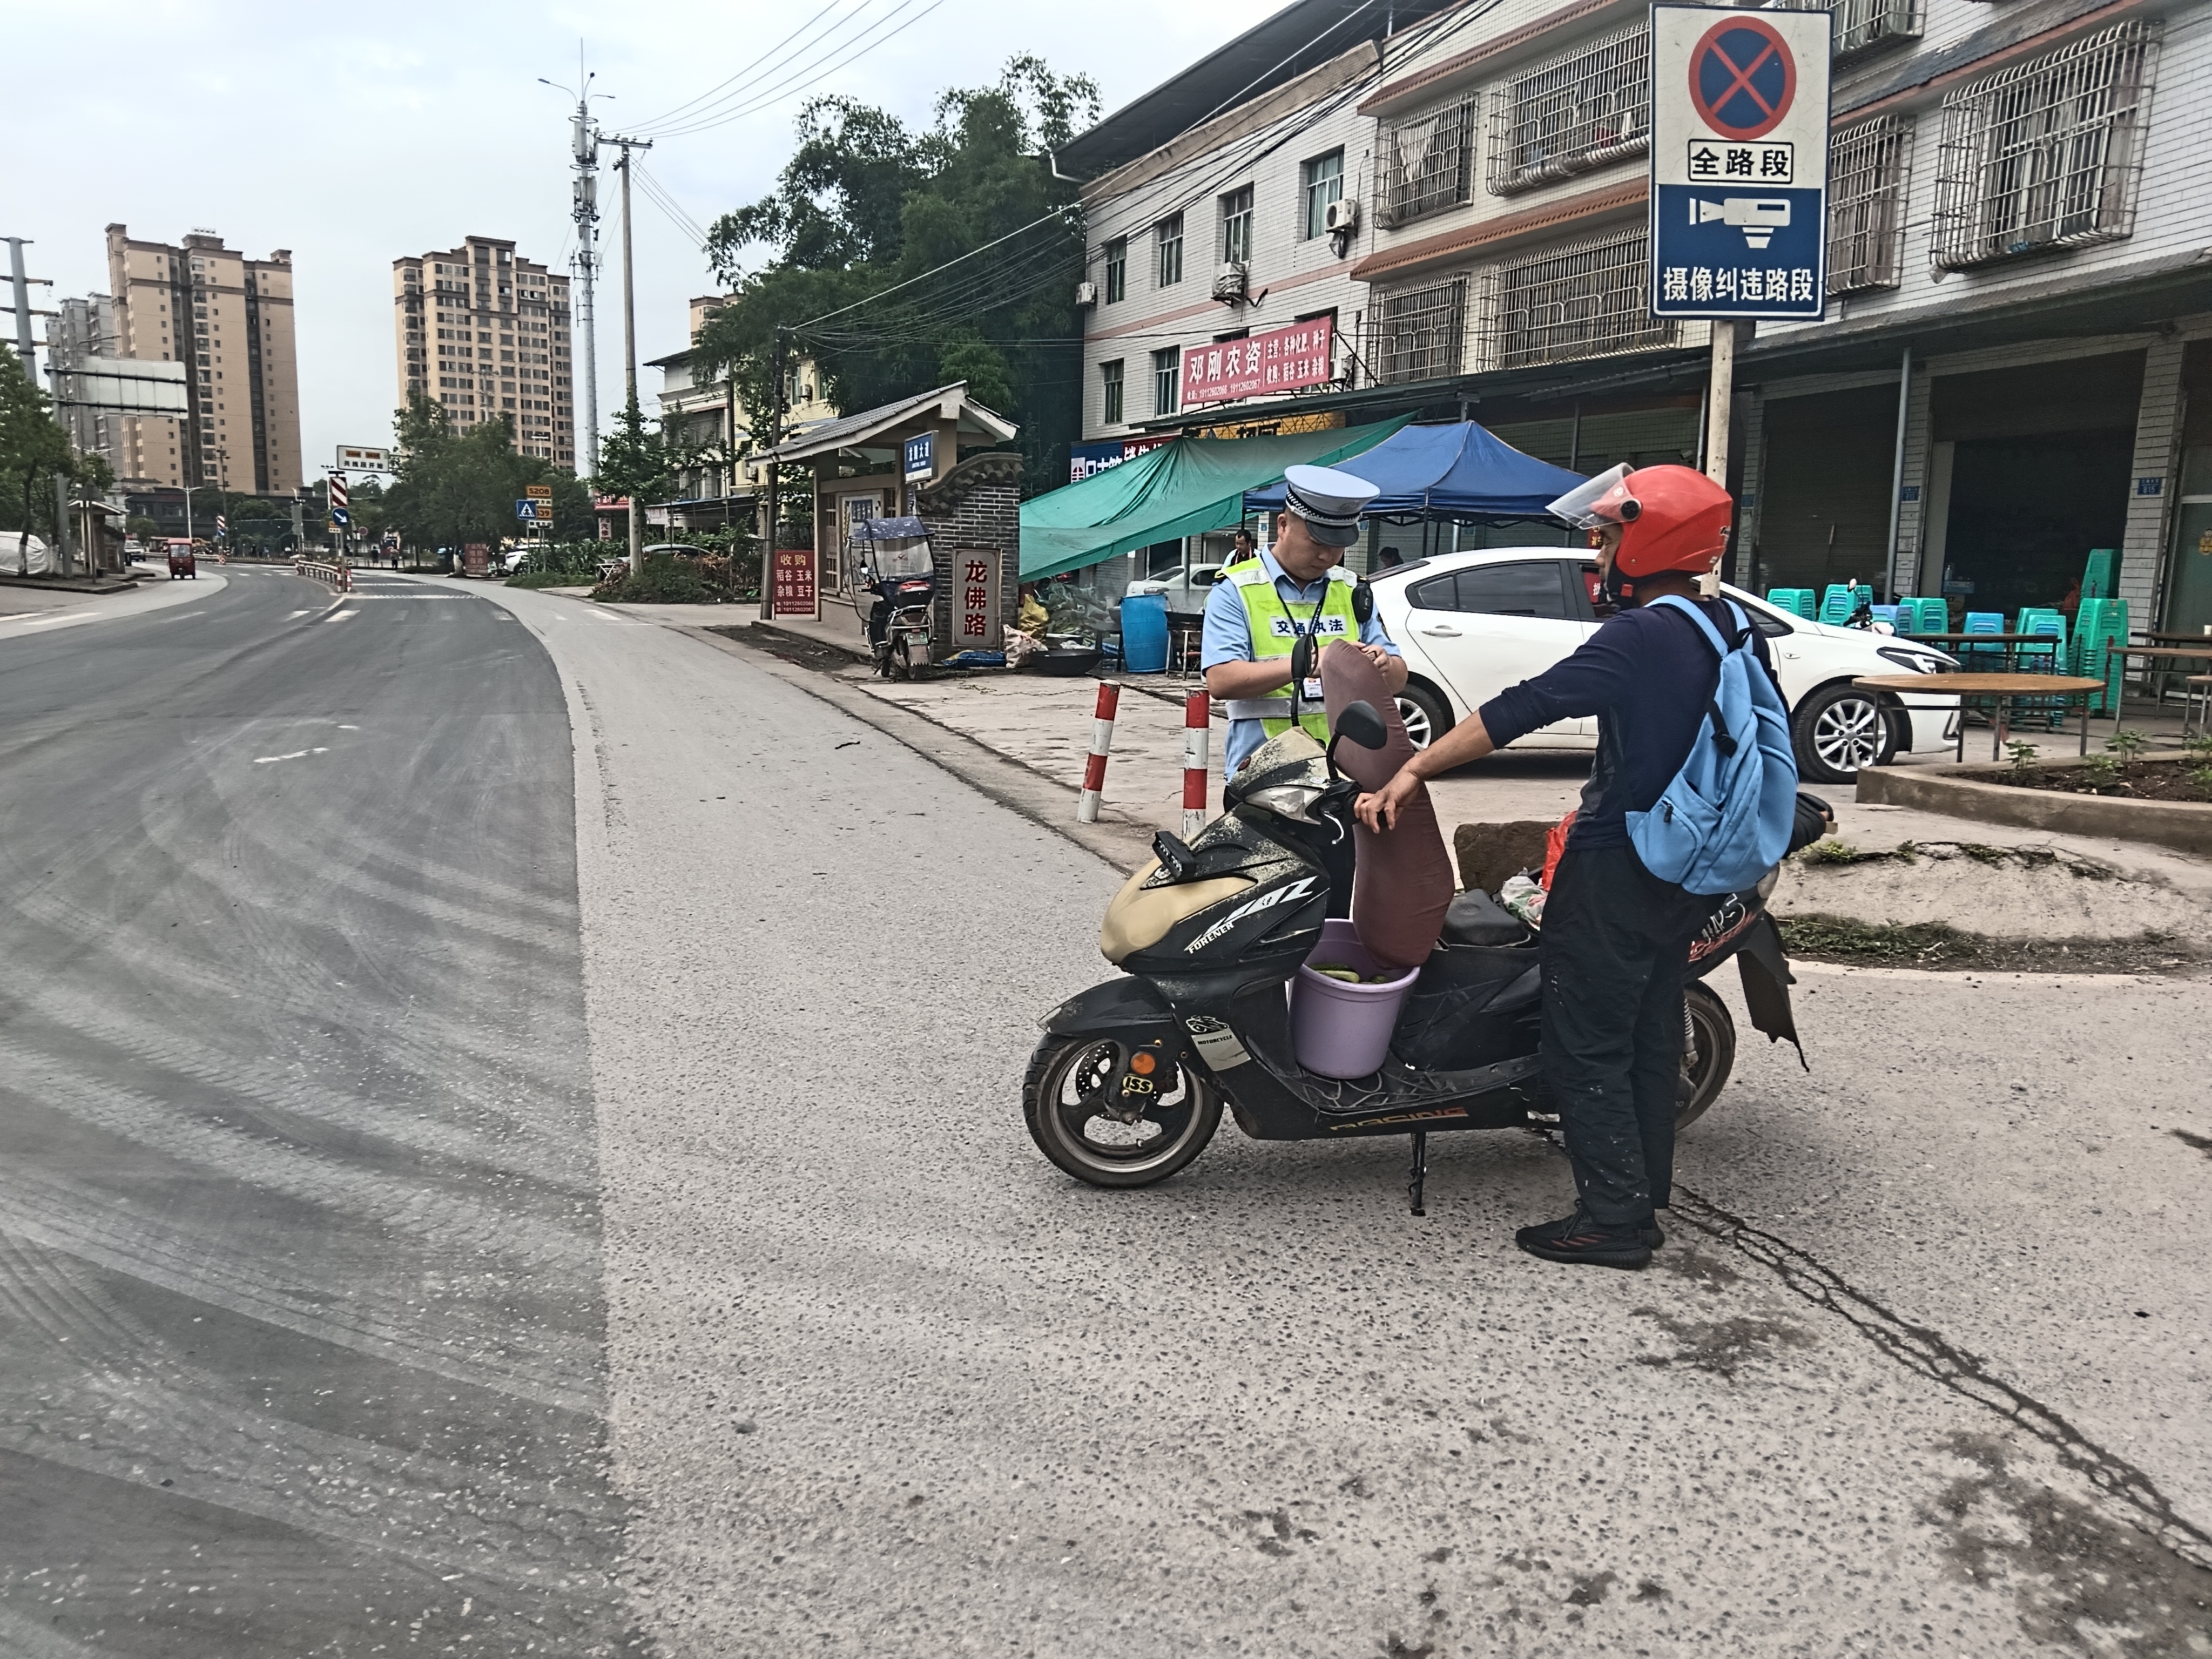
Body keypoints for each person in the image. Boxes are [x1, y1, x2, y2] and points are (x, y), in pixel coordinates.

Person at [1354, 464, 1775, 1270]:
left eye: (1611, 534)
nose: (1598, 547)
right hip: (1685, 865)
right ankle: (1641, 1188)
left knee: (1584, 1040)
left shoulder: (1641, 634)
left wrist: (1412, 772)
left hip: (1619, 862)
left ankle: (1613, 1220)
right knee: (1651, 1024)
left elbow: (1522, 708)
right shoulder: (1720, 624)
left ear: (1650, 540)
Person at [1202, 464, 1407, 779]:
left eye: (1337, 545)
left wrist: (1382, 665)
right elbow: (1221, 681)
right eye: (1316, 543)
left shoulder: (1352, 590)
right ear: (1283, 525)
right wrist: (1309, 663)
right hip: (1264, 776)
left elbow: (1397, 679)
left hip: (1345, 776)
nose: (1327, 556)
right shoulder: (1234, 591)